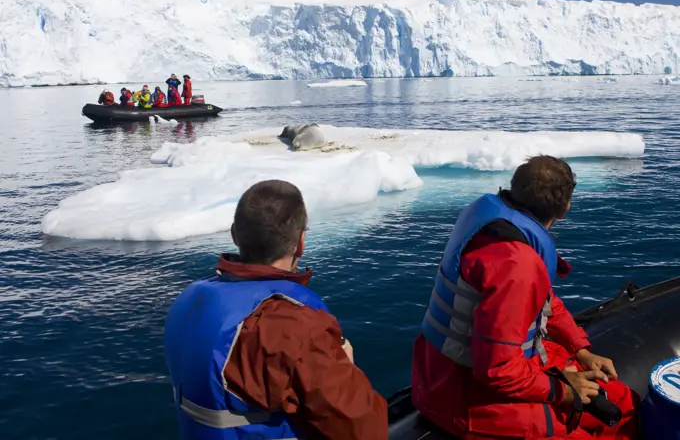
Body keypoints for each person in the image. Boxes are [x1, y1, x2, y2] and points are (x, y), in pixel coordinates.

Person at [412, 155, 638, 440]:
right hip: (467, 399)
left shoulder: (488, 223)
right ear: (564, 209)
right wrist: (564, 391)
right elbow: (497, 370)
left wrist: (580, 348)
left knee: (621, 398)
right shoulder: (517, 265)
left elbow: (545, 301)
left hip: (437, 373)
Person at [164, 179, 387, 440]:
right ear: (301, 242)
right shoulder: (290, 324)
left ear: (235, 234)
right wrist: (348, 368)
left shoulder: (189, 299)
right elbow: (362, 430)